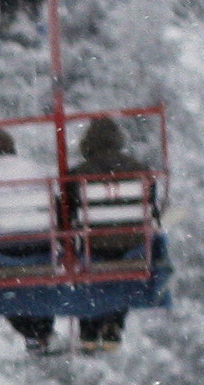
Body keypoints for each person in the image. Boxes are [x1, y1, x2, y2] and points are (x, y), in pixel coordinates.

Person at [0, 125, 61, 352]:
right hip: (39, 247)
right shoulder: (34, 169)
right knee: (37, 286)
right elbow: (54, 207)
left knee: (1, 285)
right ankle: (42, 331)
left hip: (1, 252)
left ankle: (32, 333)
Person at [64, 114, 151, 352]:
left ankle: (89, 329)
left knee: (89, 272)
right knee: (123, 273)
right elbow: (150, 206)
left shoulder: (77, 173)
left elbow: (68, 211)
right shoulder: (139, 169)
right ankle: (113, 324)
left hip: (95, 242)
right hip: (131, 242)